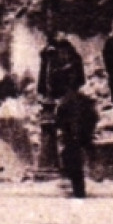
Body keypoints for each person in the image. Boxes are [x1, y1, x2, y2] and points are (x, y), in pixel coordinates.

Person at [37, 32, 85, 169]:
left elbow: (78, 75)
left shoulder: (71, 54)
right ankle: (59, 163)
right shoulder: (48, 54)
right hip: (55, 96)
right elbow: (45, 76)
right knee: (57, 130)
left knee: (69, 131)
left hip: (67, 95)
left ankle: (69, 162)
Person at [56, 87, 99, 200]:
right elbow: (94, 116)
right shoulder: (84, 101)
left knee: (71, 160)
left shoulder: (65, 102)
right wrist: (89, 130)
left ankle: (77, 188)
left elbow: (59, 120)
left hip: (71, 136)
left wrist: (64, 130)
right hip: (82, 134)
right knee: (80, 159)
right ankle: (80, 188)